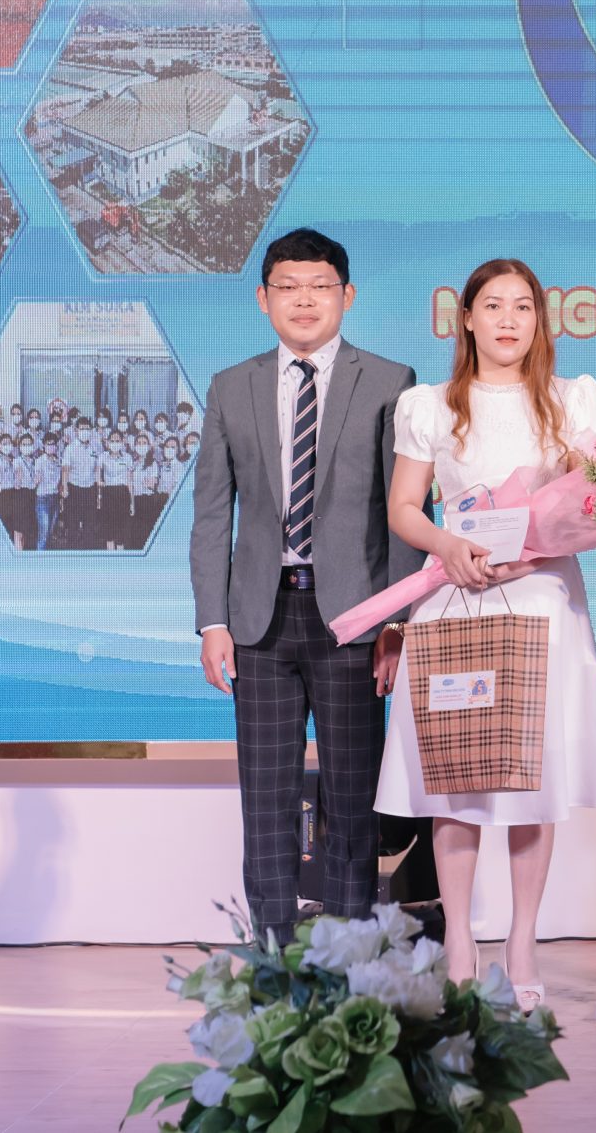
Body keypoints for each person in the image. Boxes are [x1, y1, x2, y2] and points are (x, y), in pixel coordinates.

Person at [373, 259, 596, 1013]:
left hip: (543, 600)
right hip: (458, 600)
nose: (508, 320)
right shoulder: (429, 406)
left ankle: (521, 943)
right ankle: (459, 941)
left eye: (522, 306)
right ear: (468, 318)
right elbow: (405, 507)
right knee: (455, 778)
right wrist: (448, 545)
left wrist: (540, 545)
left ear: (539, 319)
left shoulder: (573, 401)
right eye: (493, 305)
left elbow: (595, 502)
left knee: (531, 782)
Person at [191, 227, 418, 939]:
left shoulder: (390, 382)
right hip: (258, 622)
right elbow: (211, 513)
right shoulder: (232, 386)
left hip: (356, 619)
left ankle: (347, 952)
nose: (304, 300)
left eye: (320, 286)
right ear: (263, 299)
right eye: (288, 287)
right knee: (266, 797)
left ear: (347, 296)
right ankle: (272, 955)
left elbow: (407, 512)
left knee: (352, 796)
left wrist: (398, 622)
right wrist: (213, 621)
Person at [60, 418, 102, 549]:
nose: (85, 431)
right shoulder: (70, 448)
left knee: (90, 526)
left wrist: (99, 493)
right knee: (72, 526)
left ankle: (88, 554)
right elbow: (65, 469)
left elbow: (98, 470)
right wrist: (65, 488)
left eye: (87, 429)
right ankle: (72, 555)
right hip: (74, 490)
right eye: (82, 429)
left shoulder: (95, 448)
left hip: (90, 490)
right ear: (76, 430)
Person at [99, 428, 136, 550]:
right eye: (112, 441)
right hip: (108, 494)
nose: (115, 443)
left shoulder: (127, 458)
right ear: (108, 442)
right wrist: (99, 496)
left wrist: (132, 503)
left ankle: (120, 556)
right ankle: (110, 556)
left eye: (117, 441)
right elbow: (98, 476)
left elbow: (130, 482)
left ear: (122, 442)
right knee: (109, 530)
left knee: (121, 530)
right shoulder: (103, 456)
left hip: (122, 494)